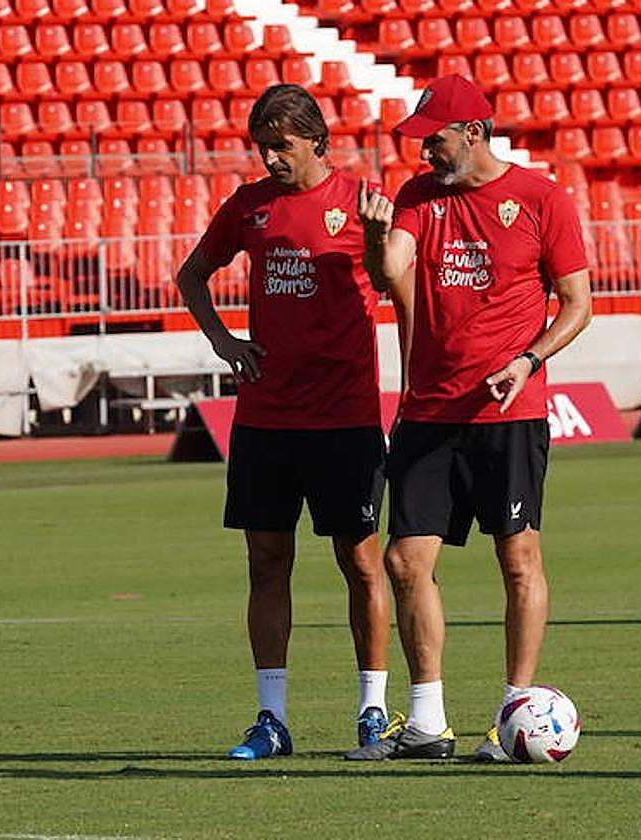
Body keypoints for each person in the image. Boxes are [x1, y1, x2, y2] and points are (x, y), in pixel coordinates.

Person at [344, 74, 593, 761]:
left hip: (509, 409)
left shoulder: (542, 198)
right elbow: (392, 267)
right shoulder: (418, 198)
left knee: (517, 558)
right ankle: (427, 722)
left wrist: (530, 360)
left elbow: (577, 302)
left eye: (435, 138)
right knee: (403, 559)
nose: (425, 151)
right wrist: (372, 239)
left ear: (474, 133)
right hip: (429, 409)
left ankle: (514, 711)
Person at [175, 84, 392, 759]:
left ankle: (373, 708)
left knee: (360, 561)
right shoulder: (248, 207)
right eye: (263, 147)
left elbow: (391, 281)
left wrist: (383, 239)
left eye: (282, 146)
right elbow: (192, 276)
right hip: (266, 416)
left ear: (317, 142)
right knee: (267, 563)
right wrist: (223, 342)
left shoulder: (360, 204)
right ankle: (271, 719)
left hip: (345, 415)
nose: (271, 159)